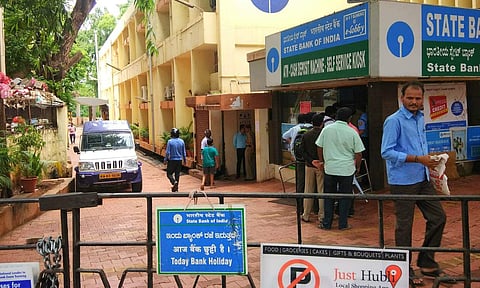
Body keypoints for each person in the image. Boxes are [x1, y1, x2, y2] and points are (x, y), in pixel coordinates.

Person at [381, 81, 454, 286]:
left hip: (423, 178)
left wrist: (429, 159)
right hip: (402, 181)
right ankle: (404, 269)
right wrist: (417, 158)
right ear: (402, 98)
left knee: (438, 217)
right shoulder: (393, 121)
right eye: (410, 98)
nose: (414, 102)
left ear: (422, 99)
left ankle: (427, 262)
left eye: (418, 98)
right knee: (404, 227)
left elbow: (419, 146)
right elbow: (386, 152)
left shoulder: (420, 118)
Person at [313, 107, 364, 230]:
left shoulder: (327, 129)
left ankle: (327, 223)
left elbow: (319, 146)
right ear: (349, 119)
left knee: (329, 197)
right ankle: (343, 224)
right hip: (346, 170)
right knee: (345, 198)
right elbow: (359, 153)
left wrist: (322, 161)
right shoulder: (352, 132)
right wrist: (357, 167)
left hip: (330, 169)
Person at [301, 112, 325, 223]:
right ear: (322, 123)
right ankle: (322, 215)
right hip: (321, 165)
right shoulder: (324, 134)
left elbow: (303, 152)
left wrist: (311, 160)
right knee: (321, 191)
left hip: (309, 165)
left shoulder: (306, 135)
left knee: (308, 190)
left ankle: (306, 214)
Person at [282, 113, 312, 195]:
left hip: (297, 157)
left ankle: (299, 198)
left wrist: (291, 142)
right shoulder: (311, 128)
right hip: (309, 158)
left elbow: (284, 136)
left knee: (300, 179)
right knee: (310, 180)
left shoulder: (295, 128)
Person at [165, 128, 186, 192]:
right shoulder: (182, 141)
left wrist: (165, 159)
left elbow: (168, 152)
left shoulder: (170, 141)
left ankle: (174, 182)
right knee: (177, 174)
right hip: (179, 160)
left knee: (169, 174)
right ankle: (176, 188)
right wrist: (184, 160)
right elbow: (184, 152)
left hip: (172, 160)